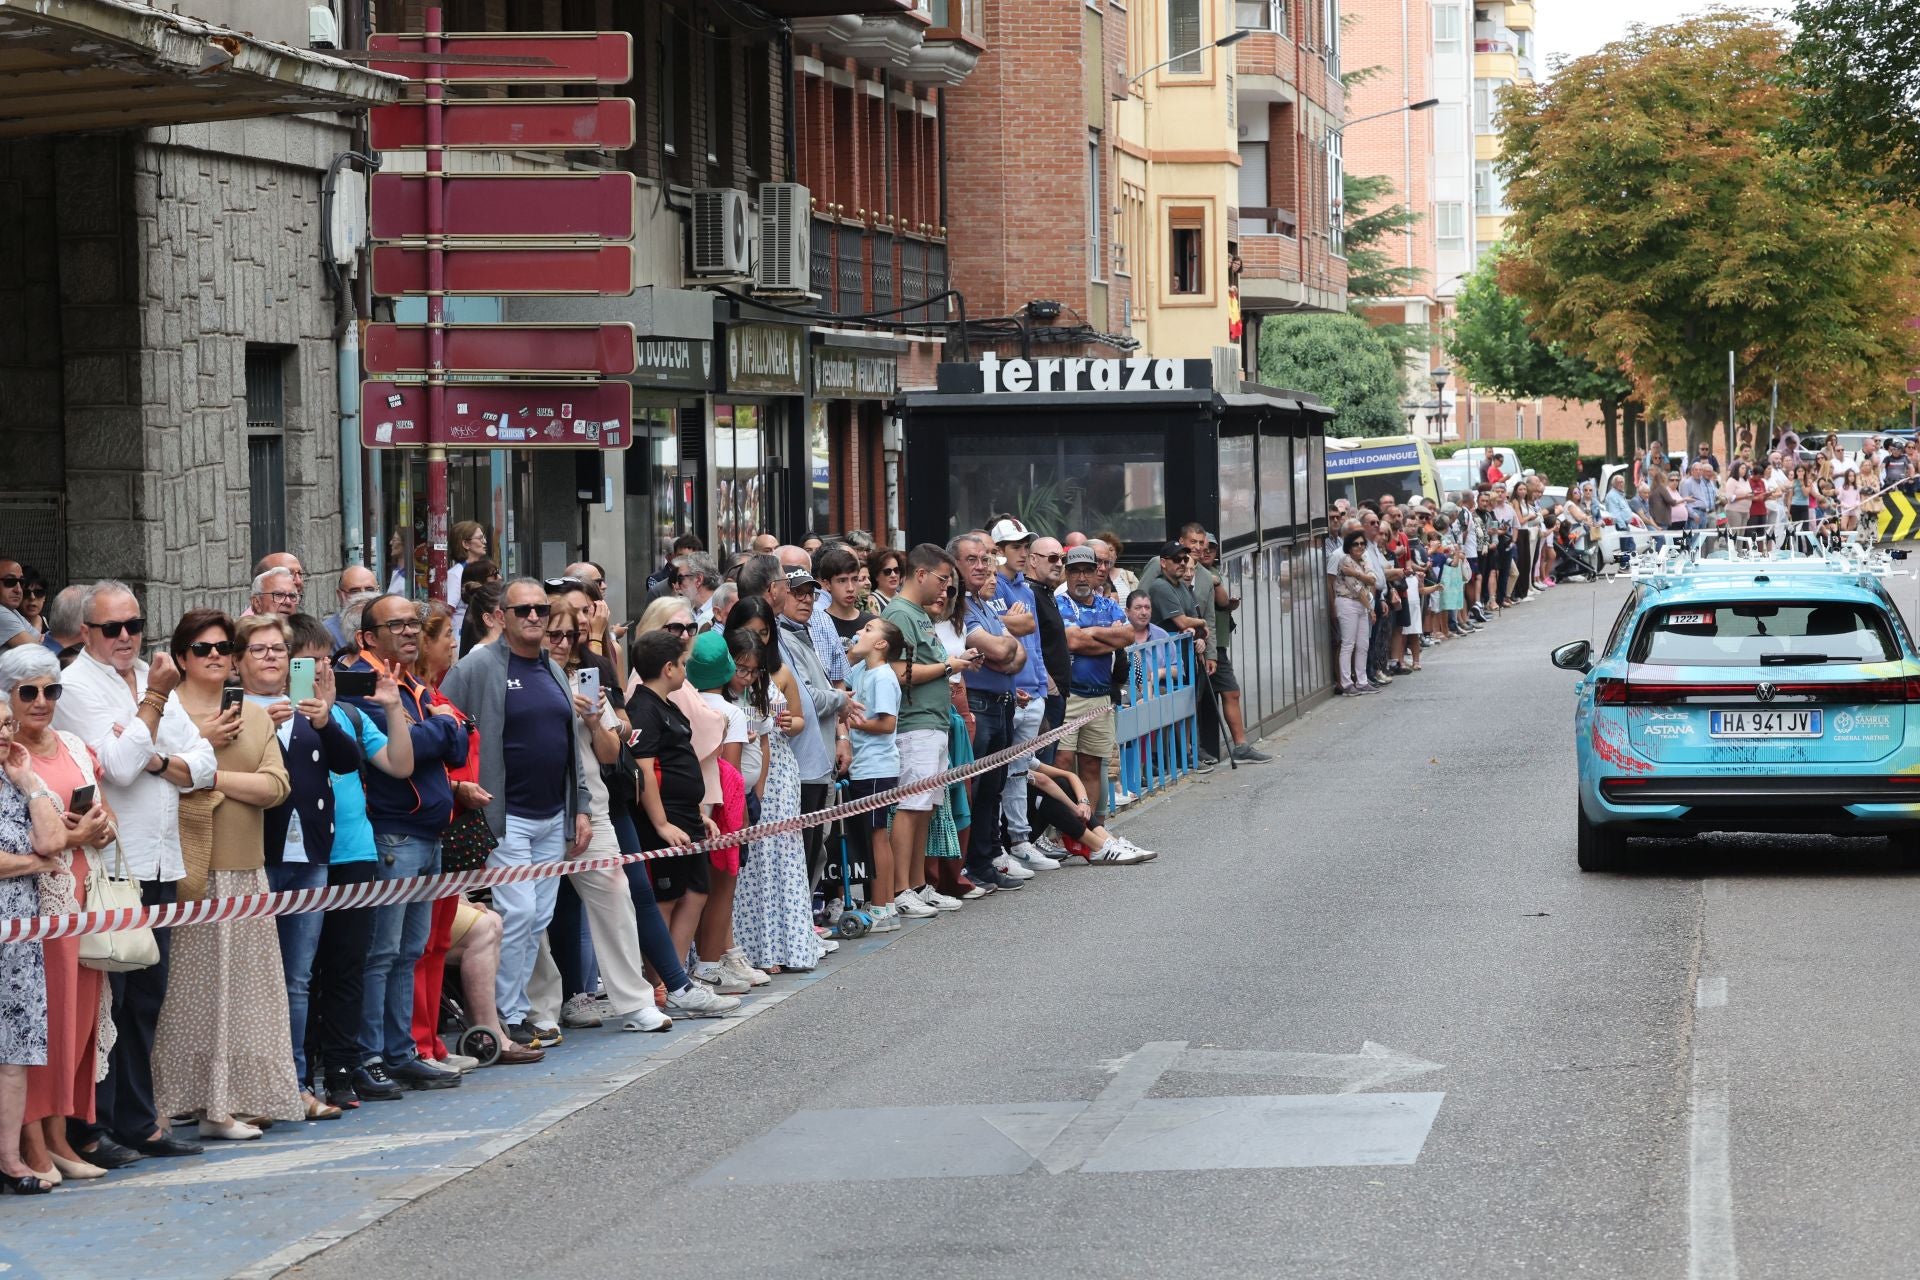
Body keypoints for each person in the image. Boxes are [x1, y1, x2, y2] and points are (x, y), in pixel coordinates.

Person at [51, 582, 214, 1164]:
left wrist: (160, 760)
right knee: (105, 1004)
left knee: (146, 1000)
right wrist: (152, 710)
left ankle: (138, 1120)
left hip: (161, 860)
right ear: (86, 633)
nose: (126, 638)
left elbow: (203, 762)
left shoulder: (153, 674)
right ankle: (89, 1127)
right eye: (111, 628)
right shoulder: (74, 687)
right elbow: (116, 769)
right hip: (112, 869)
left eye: (134, 625)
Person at [150, 609, 302, 1139]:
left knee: (243, 1000)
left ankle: (225, 1105)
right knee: (177, 999)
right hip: (185, 872)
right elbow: (151, 773)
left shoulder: (255, 716)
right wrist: (200, 744)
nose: (214, 655)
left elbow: (275, 788)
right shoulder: (166, 713)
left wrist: (208, 775)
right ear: (183, 657)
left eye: (222, 647)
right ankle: (165, 1105)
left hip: (246, 872)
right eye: (201, 648)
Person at [439, 580, 592, 1048]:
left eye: (541, 609)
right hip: (505, 817)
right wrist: (460, 787)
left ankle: (515, 1009)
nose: (533, 617)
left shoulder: (552, 668)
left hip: (552, 816)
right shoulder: (477, 667)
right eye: (523, 609)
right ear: (501, 615)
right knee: (519, 911)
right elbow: (444, 722)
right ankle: (500, 1015)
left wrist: (580, 806)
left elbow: (570, 746)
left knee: (537, 917)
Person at [537, 603, 694, 1032]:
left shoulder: (583, 683)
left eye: (569, 635)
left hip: (593, 809)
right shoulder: (516, 680)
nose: (562, 643)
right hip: (533, 811)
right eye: (554, 634)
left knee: (616, 895)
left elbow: (610, 755)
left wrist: (593, 721)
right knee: (531, 914)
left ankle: (635, 1002)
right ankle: (542, 1009)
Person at [339, 593, 470, 1094]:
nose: (411, 632)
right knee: (383, 951)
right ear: (367, 637)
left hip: (427, 832)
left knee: (409, 949)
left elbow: (457, 746)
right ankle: (373, 1054)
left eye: (414, 623)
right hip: (393, 833)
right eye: (397, 625)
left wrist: (436, 726)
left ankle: (401, 1051)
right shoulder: (363, 686)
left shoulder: (413, 684)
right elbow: (408, 754)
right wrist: (438, 726)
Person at [233, 615, 360, 1122]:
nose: (270, 658)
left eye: (279, 651)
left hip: (309, 856)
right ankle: (251, 1088)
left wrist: (326, 720)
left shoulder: (310, 710)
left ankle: (297, 1082)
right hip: (252, 857)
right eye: (259, 650)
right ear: (239, 660)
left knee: (297, 979)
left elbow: (349, 764)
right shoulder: (233, 711)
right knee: (250, 979)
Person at [3, 647, 114, 1183]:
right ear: (9, 699)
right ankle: (33, 1141)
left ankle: (60, 1134)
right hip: (37, 906)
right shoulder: (9, 756)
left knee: (78, 1022)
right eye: (29, 692)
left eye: (52, 690)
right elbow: (33, 841)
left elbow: (105, 817)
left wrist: (97, 827)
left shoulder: (73, 744)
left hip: (85, 898)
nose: (42, 702)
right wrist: (76, 834)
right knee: (39, 1027)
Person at [724, 598, 824, 971]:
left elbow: (798, 718)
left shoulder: (776, 671)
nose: (758, 639)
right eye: (751, 631)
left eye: (764, 633)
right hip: (743, 768)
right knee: (749, 863)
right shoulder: (727, 679)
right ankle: (746, 948)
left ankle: (783, 946)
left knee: (779, 857)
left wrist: (787, 724)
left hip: (778, 769)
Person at [879, 546, 971, 916]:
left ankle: (918, 883)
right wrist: (949, 667)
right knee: (910, 806)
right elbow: (899, 672)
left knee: (926, 808)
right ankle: (901, 888)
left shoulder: (918, 614)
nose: (946, 589)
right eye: (942, 579)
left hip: (933, 722)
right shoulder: (900, 613)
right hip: (914, 723)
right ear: (920, 574)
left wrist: (947, 668)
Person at [686, 631, 765, 991]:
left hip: (688, 804)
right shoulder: (730, 712)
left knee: (695, 887)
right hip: (723, 811)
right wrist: (742, 818)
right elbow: (729, 773)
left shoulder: (679, 700)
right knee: (721, 890)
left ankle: (701, 963)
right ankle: (708, 965)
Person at [951, 533, 1027, 892]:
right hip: (978, 705)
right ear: (955, 565)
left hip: (1003, 704)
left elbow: (1017, 654)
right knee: (975, 788)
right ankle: (968, 866)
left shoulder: (986, 602)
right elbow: (997, 648)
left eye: (985, 559)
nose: (982, 566)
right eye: (972, 560)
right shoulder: (959, 607)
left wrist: (1005, 650)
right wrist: (1006, 649)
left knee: (993, 788)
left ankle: (985, 861)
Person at [1054, 545, 1132, 831]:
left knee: (1090, 765)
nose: (1082, 577)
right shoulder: (1059, 603)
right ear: (1068, 574)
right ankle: (1061, 830)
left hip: (1100, 696)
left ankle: (1092, 829)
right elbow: (1072, 642)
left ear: (1097, 572)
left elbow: (1127, 635)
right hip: (1070, 696)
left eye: (1087, 570)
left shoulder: (1108, 604)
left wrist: (1092, 632)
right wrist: (1107, 636)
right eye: (1075, 571)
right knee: (1062, 762)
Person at [845, 616, 916, 927]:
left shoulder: (884, 677)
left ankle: (882, 905)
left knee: (877, 836)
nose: (859, 631)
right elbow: (841, 674)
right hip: (862, 765)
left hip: (877, 766)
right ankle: (882, 902)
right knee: (871, 834)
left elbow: (887, 724)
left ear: (881, 644)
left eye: (868, 629)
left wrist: (852, 721)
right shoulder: (862, 670)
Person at [1332, 529, 1377, 695]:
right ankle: (1346, 683)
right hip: (1348, 602)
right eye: (1355, 544)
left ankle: (1362, 680)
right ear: (1349, 547)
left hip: (1362, 604)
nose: (1359, 547)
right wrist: (1371, 609)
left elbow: (1373, 579)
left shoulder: (1364, 559)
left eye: (1362, 544)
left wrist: (1358, 573)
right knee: (1348, 643)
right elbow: (1357, 588)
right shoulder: (1345, 561)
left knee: (1363, 644)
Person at [324, 566, 379, 650]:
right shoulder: (327, 632)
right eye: (354, 591)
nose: (363, 596)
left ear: (378, 591)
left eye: (369, 590)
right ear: (340, 595)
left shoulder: (389, 625)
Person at [446, 521, 489, 629]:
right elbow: (447, 612)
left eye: (484, 537)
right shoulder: (455, 574)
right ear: (465, 544)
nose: (485, 541)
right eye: (480, 538)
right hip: (462, 636)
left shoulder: (484, 570)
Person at [0, 558, 40, 650]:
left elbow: (41, 640)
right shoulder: (1, 613)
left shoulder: (11, 611)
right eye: (10, 581)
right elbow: (38, 652)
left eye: (21, 582)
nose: (18, 589)